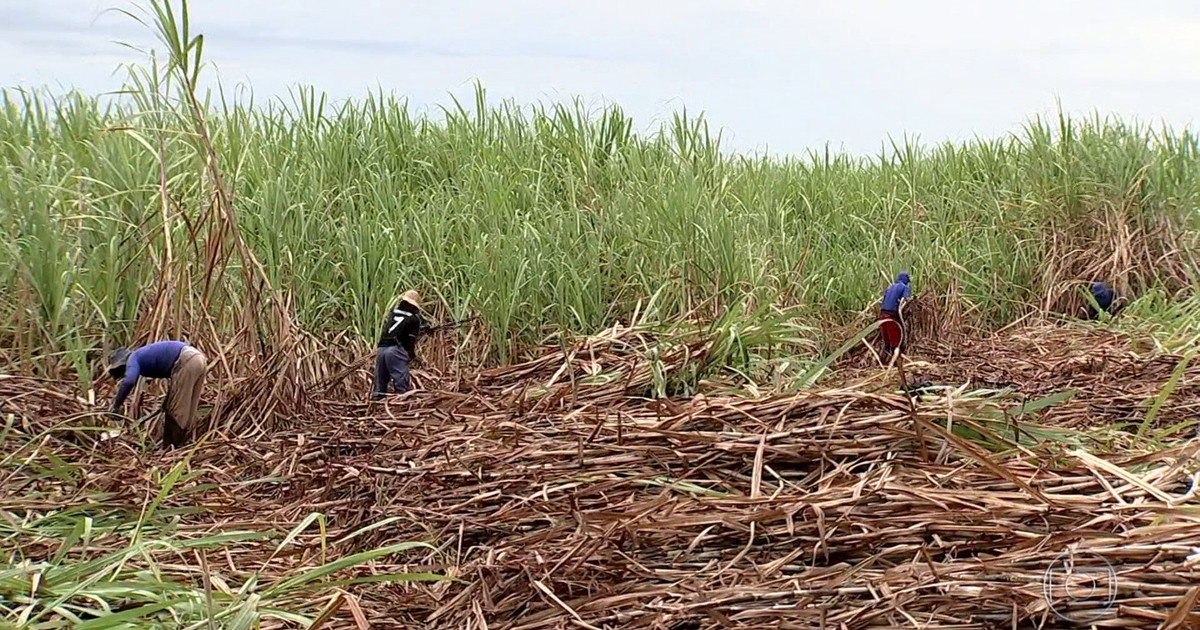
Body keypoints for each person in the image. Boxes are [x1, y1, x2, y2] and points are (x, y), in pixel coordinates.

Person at [107, 340, 208, 449]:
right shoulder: (141, 355)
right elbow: (175, 382)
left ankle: (171, 448)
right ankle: (185, 443)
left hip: (187, 360)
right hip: (199, 359)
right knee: (189, 406)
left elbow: (129, 381)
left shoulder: (133, 358)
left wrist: (116, 404)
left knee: (176, 410)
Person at [372, 290, 424, 400]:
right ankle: (401, 405)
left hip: (381, 349)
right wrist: (412, 355)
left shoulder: (393, 313)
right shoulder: (414, 319)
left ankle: (376, 404)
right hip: (395, 351)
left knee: (380, 381)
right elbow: (410, 341)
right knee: (400, 383)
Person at [879, 271, 912, 358]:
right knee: (895, 338)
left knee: (886, 339)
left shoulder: (890, 287)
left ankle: (882, 359)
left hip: (882, 314)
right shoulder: (904, 287)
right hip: (892, 315)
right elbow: (907, 299)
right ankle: (896, 360)